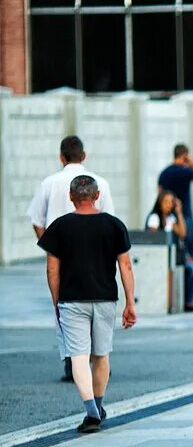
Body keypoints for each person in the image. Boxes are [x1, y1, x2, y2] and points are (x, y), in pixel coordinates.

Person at [38, 175, 136, 433]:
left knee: (78, 357)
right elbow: (125, 265)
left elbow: (52, 269)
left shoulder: (59, 226)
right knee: (101, 354)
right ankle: (99, 405)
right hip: (105, 298)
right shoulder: (114, 225)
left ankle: (91, 411)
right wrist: (130, 303)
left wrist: (56, 301)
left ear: (71, 197)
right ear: (97, 196)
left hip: (72, 299)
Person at [28, 135, 117, 382]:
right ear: (84, 156)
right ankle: (98, 358)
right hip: (95, 254)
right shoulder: (101, 183)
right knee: (97, 303)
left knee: (63, 306)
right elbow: (109, 220)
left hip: (62, 253)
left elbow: (36, 220)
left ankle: (71, 359)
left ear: (61, 156)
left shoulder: (49, 183)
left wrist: (49, 246)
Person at [147, 191, 193, 311]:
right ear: (160, 203)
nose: (168, 205)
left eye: (171, 202)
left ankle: (187, 300)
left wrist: (179, 212)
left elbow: (182, 234)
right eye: (166, 202)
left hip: (176, 256)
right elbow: (153, 239)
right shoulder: (154, 218)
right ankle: (182, 301)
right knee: (192, 269)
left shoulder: (171, 218)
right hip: (161, 258)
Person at [158, 144, 193, 260]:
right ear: (185, 156)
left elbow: (159, 193)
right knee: (192, 251)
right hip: (185, 215)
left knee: (175, 250)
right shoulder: (186, 171)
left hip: (169, 217)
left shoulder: (164, 173)